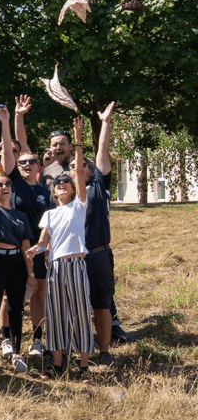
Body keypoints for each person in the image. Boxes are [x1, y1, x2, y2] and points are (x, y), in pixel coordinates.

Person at [32, 117, 92, 379]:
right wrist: (35, 250)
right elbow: (43, 241)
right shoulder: (49, 214)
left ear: (74, 188)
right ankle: (57, 364)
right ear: (54, 191)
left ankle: (84, 366)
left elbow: (77, 171)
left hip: (76, 264)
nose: (63, 183)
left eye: (67, 182)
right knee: (55, 315)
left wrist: (77, 141)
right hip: (55, 267)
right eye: (58, 183)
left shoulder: (79, 206)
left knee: (81, 313)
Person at [0, 124, 36, 373]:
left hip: (16, 263)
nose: (4, 187)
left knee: (15, 309)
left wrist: (30, 274)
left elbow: (26, 247)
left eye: (7, 184)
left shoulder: (20, 216)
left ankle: (16, 353)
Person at [9, 95, 53, 358]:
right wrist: (17, 116)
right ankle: (9, 341)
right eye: (22, 162)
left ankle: (37, 340)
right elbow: (18, 143)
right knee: (11, 297)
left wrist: (46, 250)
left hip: (38, 251)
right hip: (15, 249)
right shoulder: (14, 182)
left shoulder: (46, 192)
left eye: (31, 162)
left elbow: (50, 224)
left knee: (38, 294)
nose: (26, 164)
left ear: (39, 167)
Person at [83, 102, 117, 366]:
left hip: (99, 255)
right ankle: (81, 350)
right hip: (74, 257)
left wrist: (104, 122)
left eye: (81, 164)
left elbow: (102, 151)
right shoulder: (64, 193)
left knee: (102, 305)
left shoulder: (99, 184)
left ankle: (104, 351)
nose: (76, 168)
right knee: (76, 306)